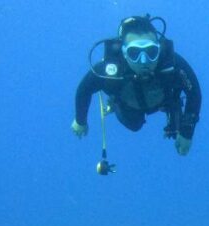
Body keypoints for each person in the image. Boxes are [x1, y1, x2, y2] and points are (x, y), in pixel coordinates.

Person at [72, 15, 201, 158]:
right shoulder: (109, 68)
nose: (143, 61)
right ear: (124, 53)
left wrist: (187, 133)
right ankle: (114, 105)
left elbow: (194, 92)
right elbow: (84, 90)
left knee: (173, 104)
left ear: (159, 49)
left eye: (151, 52)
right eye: (135, 53)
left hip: (164, 100)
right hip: (128, 106)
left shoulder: (172, 64)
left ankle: (173, 111)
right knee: (134, 125)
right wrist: (80, 121)